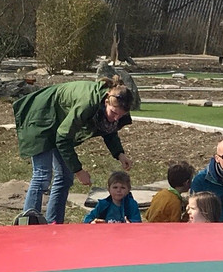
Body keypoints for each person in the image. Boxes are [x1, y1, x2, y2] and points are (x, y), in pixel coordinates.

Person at [13, 76, 135, 224]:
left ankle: (54, 224)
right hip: (40, 115)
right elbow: (63, 138)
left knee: (65, 177)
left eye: (121, 115)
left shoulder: (117, 105)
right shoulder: (87, 103)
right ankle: (28, 224)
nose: (116, 118)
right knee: (42, 175)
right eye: (114, 113)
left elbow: (109, 130)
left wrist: (119, 153)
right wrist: (78, 170)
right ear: (106, 102)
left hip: (60, 122)